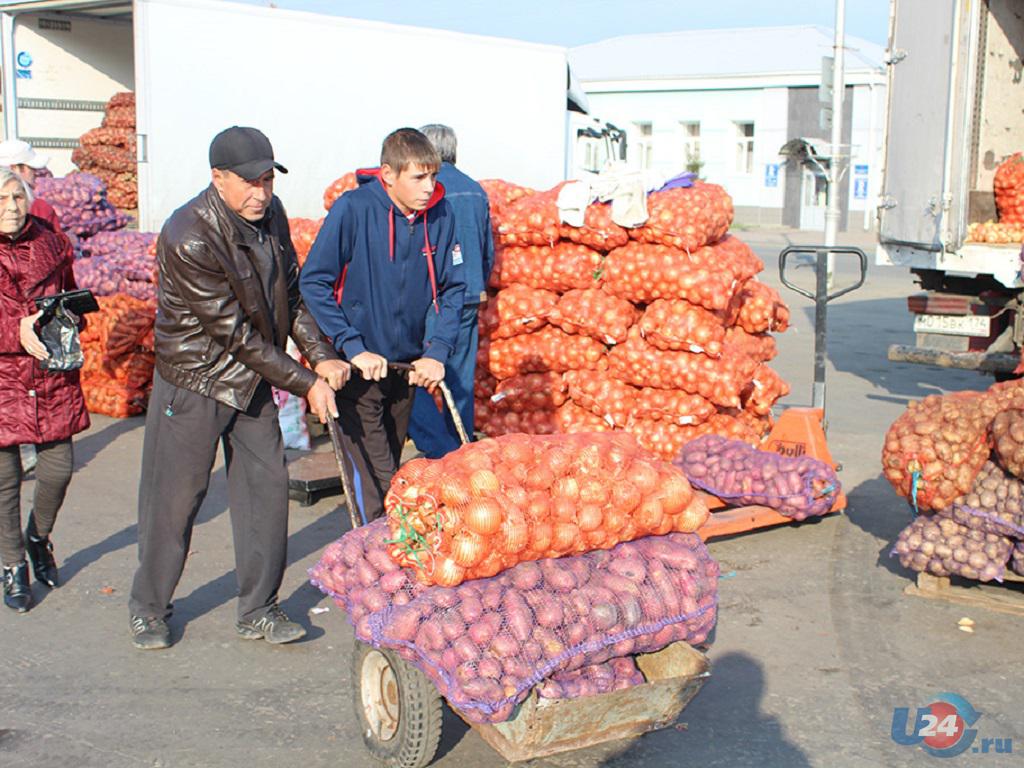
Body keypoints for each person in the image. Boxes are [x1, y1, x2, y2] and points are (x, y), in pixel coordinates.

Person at [128, 127, 349, 650]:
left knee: (266, 493)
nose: (261, 192)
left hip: (253, 379)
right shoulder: (188, 234)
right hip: (197, 381)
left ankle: (259, 609)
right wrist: (306, 383)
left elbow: (290, 298)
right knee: (175, 502)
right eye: (249, 182)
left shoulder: (270, 218)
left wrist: (321, 354)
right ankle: (149, 607)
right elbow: (233, 333)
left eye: (267, 180)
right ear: (218, 178)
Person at [300, 128, 466, 522]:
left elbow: (454, 288)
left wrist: (436, 352)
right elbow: (314, 281)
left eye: (433, 176)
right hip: (357, 370)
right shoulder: (353, 209)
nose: (429, 187)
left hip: (405, 370)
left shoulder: (441, 215)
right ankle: (373, 567)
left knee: (388, 467)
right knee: (380, 481)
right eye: (418, 177)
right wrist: (352, 346)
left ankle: (379, 562)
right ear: (388, 175)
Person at [0, 168, 89, 613]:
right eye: (1, 199)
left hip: (50, 373)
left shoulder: (53, 243)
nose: (11, 207)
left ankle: (39, 537)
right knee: (4, 480)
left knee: (58, 468)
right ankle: (13, 564)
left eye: (17, 197)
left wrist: (73, 314)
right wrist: (14, 330)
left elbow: (68, 290)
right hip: (3, 380)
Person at [407, 125, 493, 458]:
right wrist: (479, 283)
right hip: (470, 295)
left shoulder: (428, 191)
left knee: (417, 371)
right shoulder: (474, 190)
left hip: (434, 297)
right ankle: (461, 445)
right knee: (459, 373)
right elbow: (487, 248)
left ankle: (437, 447)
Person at [0, 139, 62, 233]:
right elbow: (55, 244)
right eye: (30, 168)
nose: (35, 173)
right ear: (14, 168)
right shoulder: (39, 207)